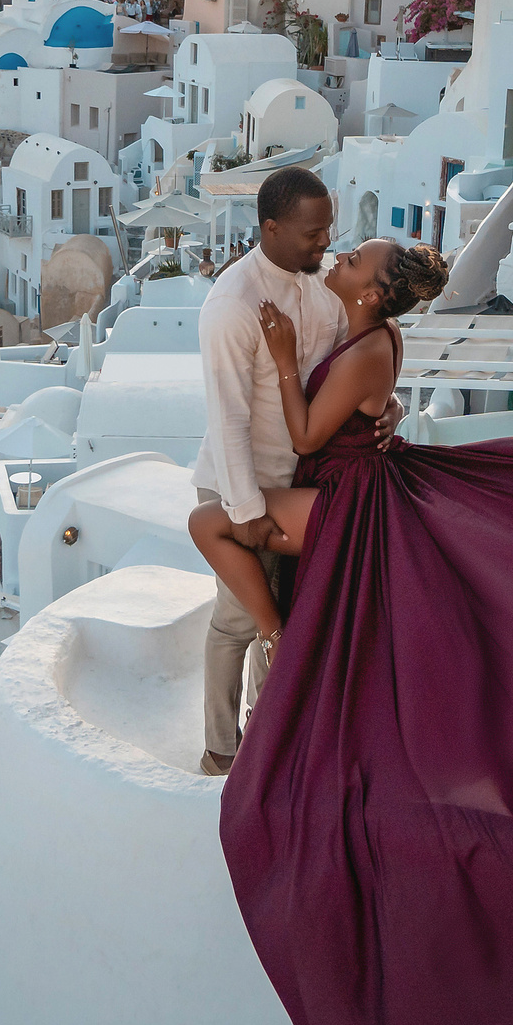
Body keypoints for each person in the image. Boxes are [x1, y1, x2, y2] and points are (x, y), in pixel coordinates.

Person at [189, 237, 449, 650]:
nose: (340, 255)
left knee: (204, 524)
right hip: (346, 480)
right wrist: (392, 408)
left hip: (347, 497)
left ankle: (278, 637)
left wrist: (286, 362)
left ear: (369, 295)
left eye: (354, 260)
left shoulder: (366, 350)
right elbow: (373, 393)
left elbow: (307, 439)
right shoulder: (381, 329)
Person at [188, 166, 347, 776]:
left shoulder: (321, 285)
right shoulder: (232, 304)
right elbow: (226, 418)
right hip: (239, 485)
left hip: (299, 485)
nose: (324, 243)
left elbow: (340, 376)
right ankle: (220, 752)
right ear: (271, 228)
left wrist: (390, 404)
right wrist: (246, 509)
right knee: (239, 619)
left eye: (328, 229)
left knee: (285, 617)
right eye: (312, 233)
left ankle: (267, 737)